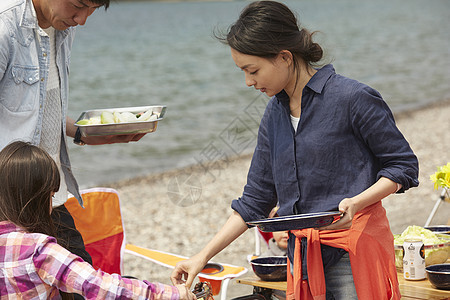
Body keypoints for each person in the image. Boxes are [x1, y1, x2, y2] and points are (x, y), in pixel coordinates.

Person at [170, 1, 419, 299]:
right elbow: (255, 201)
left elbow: (402, 166)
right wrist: (201, 257)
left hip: (352, 254)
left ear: (284, 57)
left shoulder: (353, 98)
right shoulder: (274, 115)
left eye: (253, 70)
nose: (248, 82)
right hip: (300, 256)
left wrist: (358, 201)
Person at [0, 0, 146, 278]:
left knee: (84, 285)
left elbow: (42, 105)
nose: (82, 20)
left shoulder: (63, 27)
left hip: (49, 196)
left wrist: (83, 133)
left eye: (93, 9)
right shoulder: (4, 26)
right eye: (78, 5)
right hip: (7, 204)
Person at [0, 141, 196, 299]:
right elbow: (99, 287)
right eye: (51, 197)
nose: (52, 206)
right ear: (37, 200)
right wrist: (170, 294)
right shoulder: (40, 251)